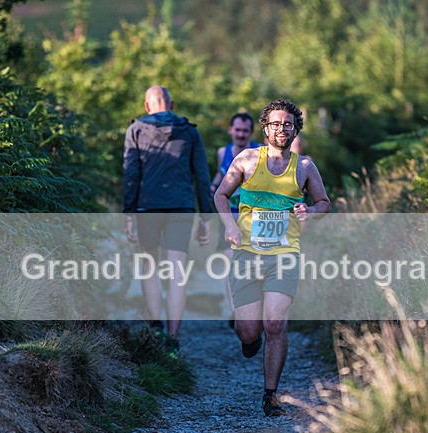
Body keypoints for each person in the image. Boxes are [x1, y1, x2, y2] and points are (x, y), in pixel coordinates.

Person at [214, 98, 330, 416]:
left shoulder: (304, 167)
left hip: (285, 254)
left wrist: (311, 210)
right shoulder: (247, 160)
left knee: (275, 324)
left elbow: (324, 202)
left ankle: (270, 395)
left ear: (295, 130)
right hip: (247, 254)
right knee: (250, 331)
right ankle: (248, 340)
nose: (282, 128)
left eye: (288, 124)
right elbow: (220, 195)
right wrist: (229, 227)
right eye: (276, 123)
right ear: (265, 127)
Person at [123, 85, 213, 339]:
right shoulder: (190, 131)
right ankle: (173, 339)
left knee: (149, 268)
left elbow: (130, 174)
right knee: (177, 273)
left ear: (147, 105)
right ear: (171, 105)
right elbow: (202, 177)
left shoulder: (135, 130)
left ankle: (156, 329)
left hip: (146, 206)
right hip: (181, 207)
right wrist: (206, 218)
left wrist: (129, 214)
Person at [210, 112, 262, 326]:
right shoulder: (223, 152)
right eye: (237, 130)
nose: (240, 135)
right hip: (229, 214)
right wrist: (212, 188)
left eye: (245, 131)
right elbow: (221, 177)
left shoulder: (260, 152)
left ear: (251, 133)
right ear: (231, 130)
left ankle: (256, 309)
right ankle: (235, 310)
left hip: (255, 216)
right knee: (230, 263)